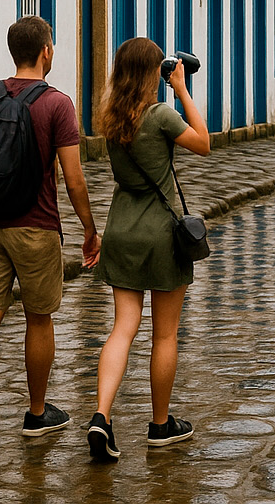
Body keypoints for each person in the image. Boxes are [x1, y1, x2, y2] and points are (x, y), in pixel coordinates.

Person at [0, 16, 101, 459]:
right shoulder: (57, 104)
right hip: (35, 227)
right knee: (39, 318)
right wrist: (90, 230)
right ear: (46, 52)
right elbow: (73, 180)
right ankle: (37, 413)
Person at [87, 37, 211, 459]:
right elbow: (204, 141)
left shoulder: (110, 116)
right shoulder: (160, 116)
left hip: (120, 228)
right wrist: (181, 89)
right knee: (165, 334)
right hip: (160, 235)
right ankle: (160, 425)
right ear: (152, 73)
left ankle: (101, 416)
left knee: (123, 327)